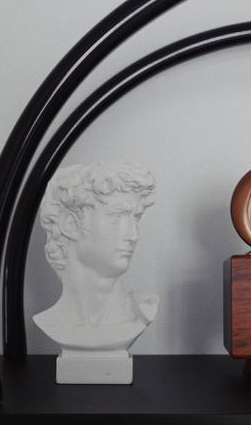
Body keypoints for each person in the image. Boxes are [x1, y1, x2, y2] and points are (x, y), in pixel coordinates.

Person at [33, 160, 158, 381]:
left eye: (136, 218)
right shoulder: (51, 322)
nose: (133, 235)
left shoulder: (143, 311)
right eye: (117, 217)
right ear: (70, 225)